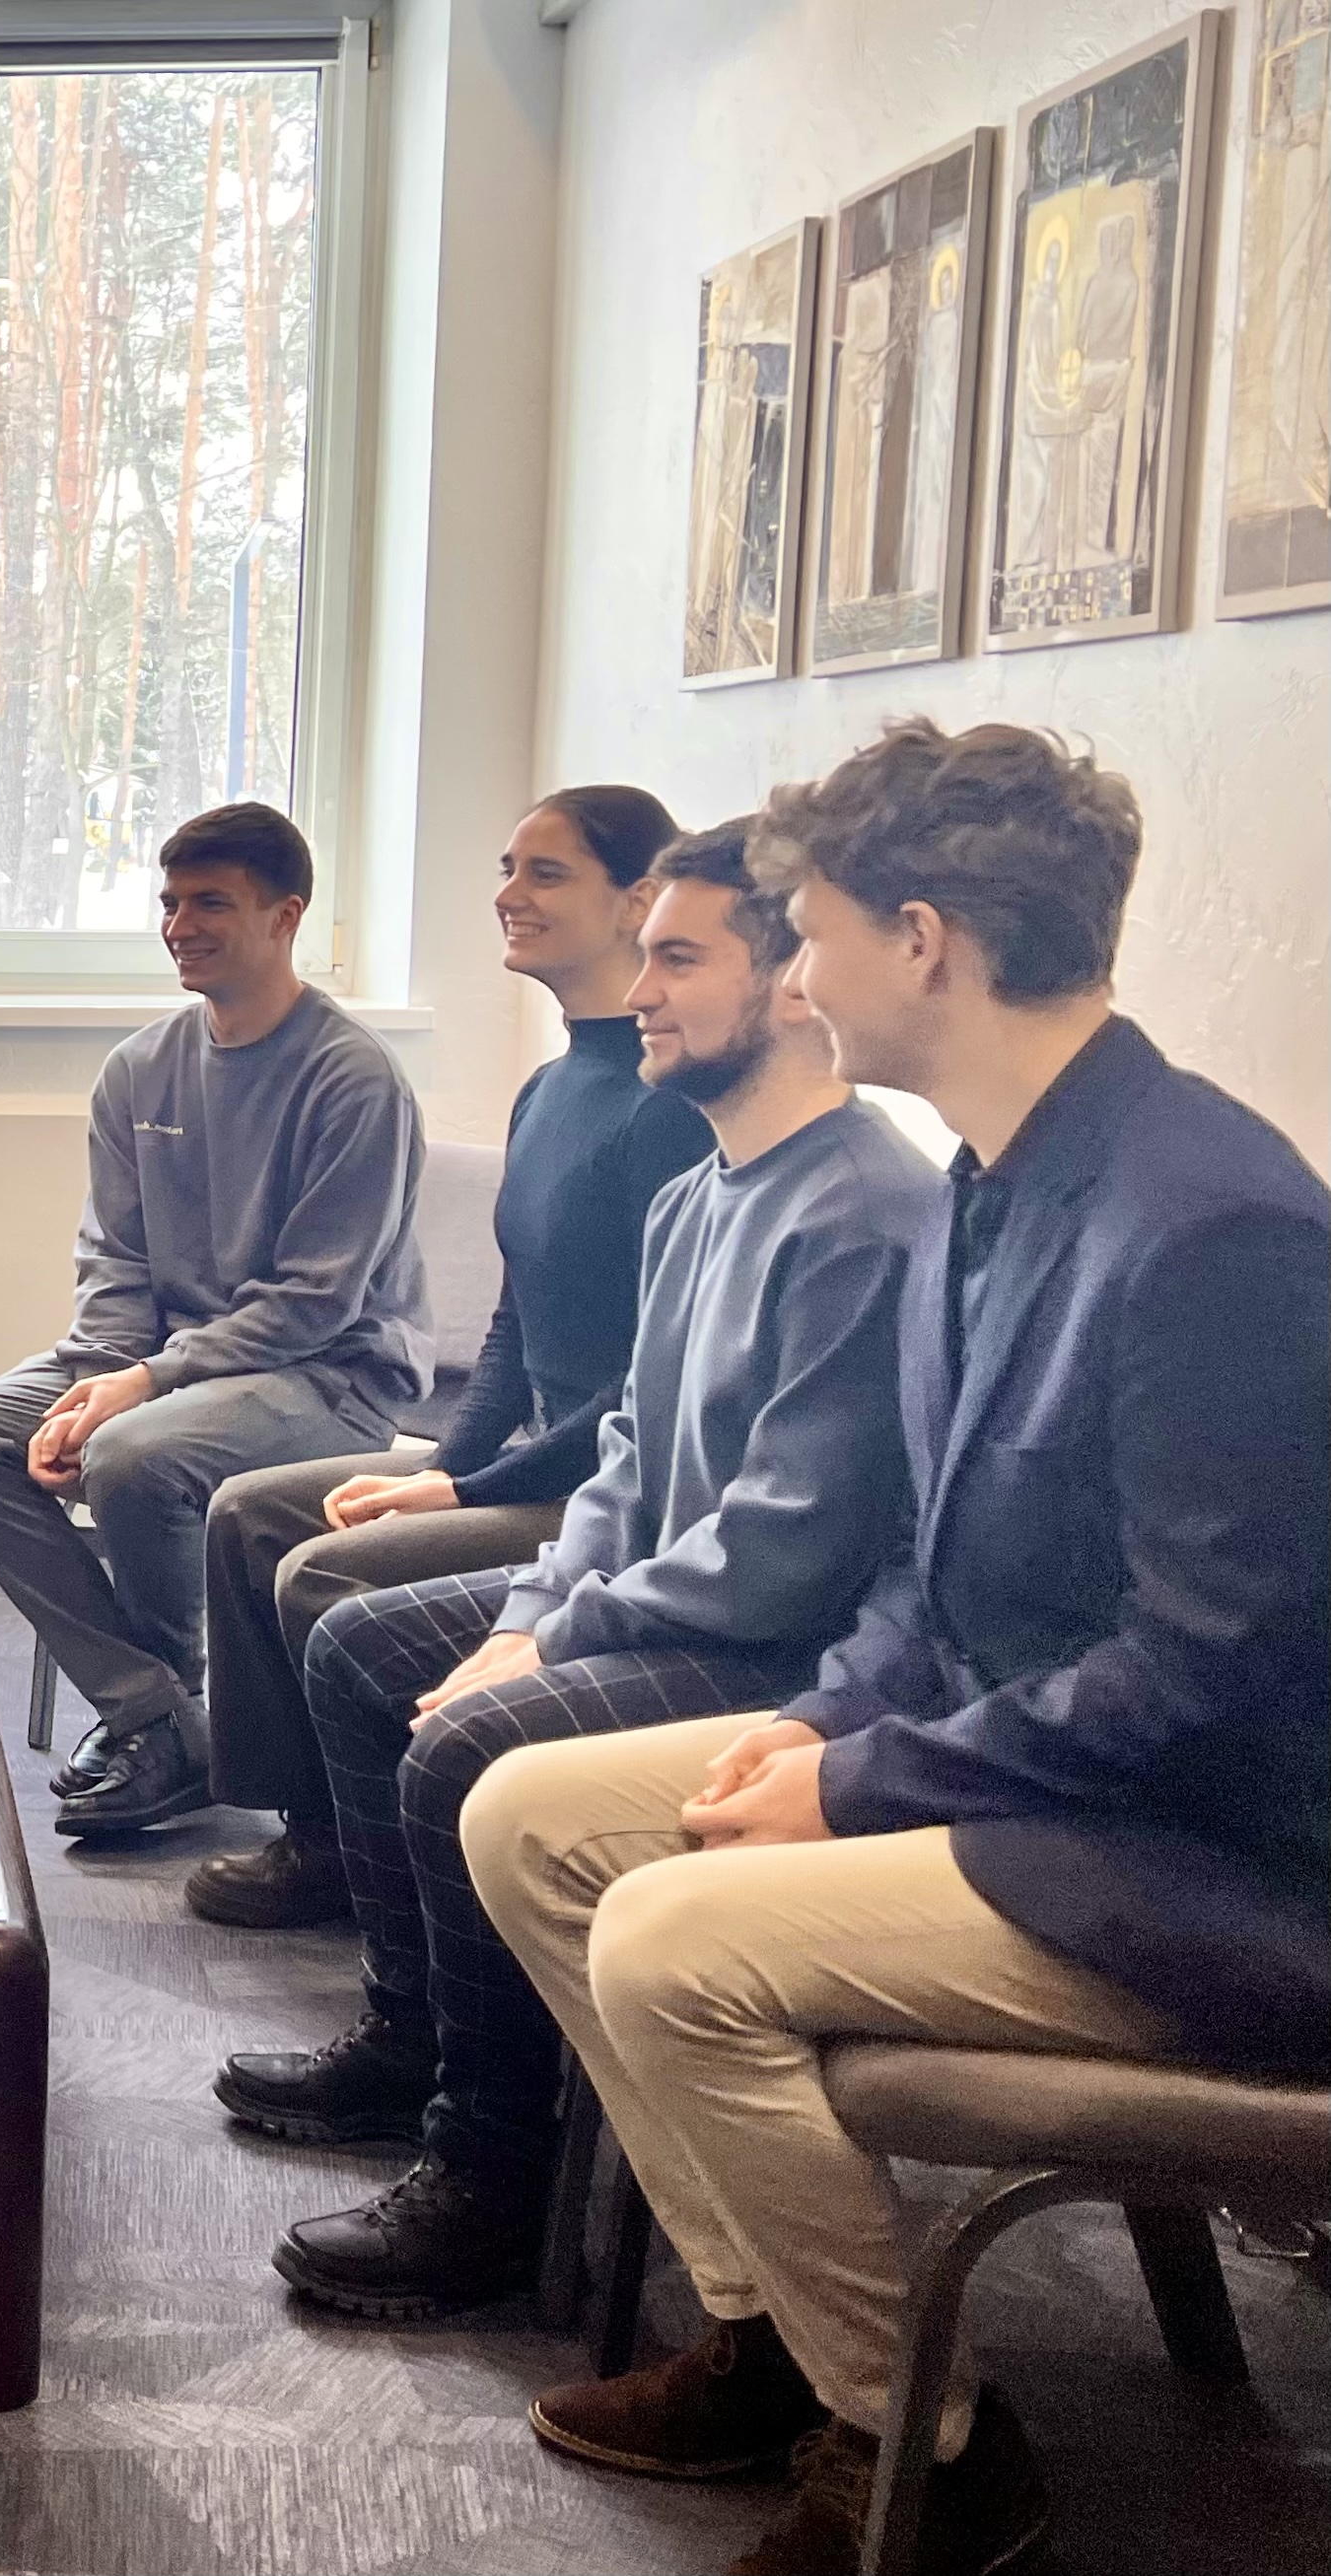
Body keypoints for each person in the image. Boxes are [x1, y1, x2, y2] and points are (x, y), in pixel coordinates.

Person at [464, 722, 1328, 2576]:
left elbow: (1207, 1677)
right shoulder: (985, 1182)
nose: (794, 974)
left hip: (1204, 1865)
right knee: (527, 1816)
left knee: (668, 1940)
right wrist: (821, 1724)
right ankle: (778, 2332)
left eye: (809, 932)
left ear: (920, 942)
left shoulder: (1212, 1224)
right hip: (1024, 1780)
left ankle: (918, 2451)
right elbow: (929, 1584)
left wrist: (857, 1777)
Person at [228, 825, 937, 2323]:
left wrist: (556, 1635)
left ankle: (491, 2168)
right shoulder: (703, 1194)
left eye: (678, 959)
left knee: (464, 1742)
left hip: (780, 1654)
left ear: (791, 984)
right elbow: (623, 1452)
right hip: (673, 1602)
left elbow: (783, 1547)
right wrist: (542, 1606)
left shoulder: (866, 1212)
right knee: (361, 1648)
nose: (644, 991)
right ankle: (413, 2039)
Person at [186, 786, 715, 1927]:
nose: (508, 894)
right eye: (507, 869)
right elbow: (517, 1326)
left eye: (545, 873)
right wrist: (445, 1467)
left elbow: (645, 1384)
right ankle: (314, 1828)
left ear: (638, 900)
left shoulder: (666, 1110)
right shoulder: (550, 1089)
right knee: (252, 1512)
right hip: (527, 1458)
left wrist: (470, 1491)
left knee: (323, 1570)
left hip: (598, 1487)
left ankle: (364, 1862)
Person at [0, 803, 431, 1838]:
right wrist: (101, 1377)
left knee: (133, 1458)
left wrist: (143, 1387)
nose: (180, 926)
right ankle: (161, 1717)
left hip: (328, 1375)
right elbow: (116, 1257)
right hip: (160, 1366)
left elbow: (315, 1300)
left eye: (211, 904)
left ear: (285, 916)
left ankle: (165, 1731)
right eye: (169, 902)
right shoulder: (137, 1069)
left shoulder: (354, 1080)